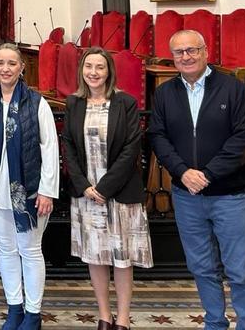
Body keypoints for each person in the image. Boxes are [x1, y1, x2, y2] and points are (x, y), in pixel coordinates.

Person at [148, 30, 245, 330]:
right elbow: (158, 136)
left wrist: (209, 174)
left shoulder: (232, 88)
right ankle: (214, 323)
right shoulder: (164, 93)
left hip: (230, 196)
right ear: (172, 58)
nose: (186, 56)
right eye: (179, 52)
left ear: (206, 51)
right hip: (187, 197)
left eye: (192, 50)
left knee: (239, 270)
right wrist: (182, 171)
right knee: (201, 267)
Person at [63, 48, 153, 330]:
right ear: (82, 71)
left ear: (109, 71)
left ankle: (123, 317)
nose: (93, 72)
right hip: (87, 194)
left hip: (119, 192)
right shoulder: (74, 103)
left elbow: (131, 148)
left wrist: (104, 187)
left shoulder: (125, 102)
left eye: (99, 67)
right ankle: (104, 315)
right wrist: (84, 186)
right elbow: (68, 147)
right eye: (88, 66)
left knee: (122, 258)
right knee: (96, 256)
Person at [0, 43, 59, 330]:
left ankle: (33, 313)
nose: (6, 68)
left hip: (30, 194)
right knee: (5, 250)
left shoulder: (37, 102)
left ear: (22, 67)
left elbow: (50, 149)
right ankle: (15, 308)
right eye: (0, 63)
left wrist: (47, 190)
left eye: (12, 63)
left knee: (30, 250)